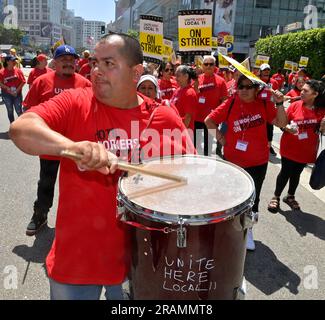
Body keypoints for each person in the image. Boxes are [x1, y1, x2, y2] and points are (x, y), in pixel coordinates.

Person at [9, 33, 194, 300]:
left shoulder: (163, 116)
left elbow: (188, 183)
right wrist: (74, 148)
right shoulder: (75, 102)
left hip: (141, 263)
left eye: (109, 63)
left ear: (136, 73)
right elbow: (21, 129)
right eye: (95, 63)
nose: (96, 71)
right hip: (77, 261)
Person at [205, 75, 287, 250]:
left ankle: (247, 230)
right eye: (240, 86)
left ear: (256, 89)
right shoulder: (231, 103)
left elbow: (282, 122)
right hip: (232, 161)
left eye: (248, 87)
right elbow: (209, 121)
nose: (244, 90)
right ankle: (228, 228)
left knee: (253, 199)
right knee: (230, 196)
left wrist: (279, 103)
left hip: (258, 162)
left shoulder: (264, 104)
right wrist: (220, 137)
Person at [22, 45, 92, 237]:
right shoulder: (41, 82)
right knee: (46, 182)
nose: (69, 62)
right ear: (55, 61)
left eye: (72, 59)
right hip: (50, 146)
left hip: (77, 146)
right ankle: (40, 214)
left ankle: (80, 219)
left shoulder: (86, 84)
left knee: (80, 185)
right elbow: (29, 109)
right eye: (64, 59)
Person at [268, 80, 325, 213]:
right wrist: (287, 128)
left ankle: (290, 196)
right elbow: (283, 123)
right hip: (290, 147)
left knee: (297, 174)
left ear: (315, 94)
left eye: (306, 91)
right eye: (302, 89)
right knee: (285, 172)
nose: (302, 92)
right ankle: (275, 196)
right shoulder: (295, 105)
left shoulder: (322, 111)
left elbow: (322, 132)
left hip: (307, 151)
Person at [195, 55, 228, 156]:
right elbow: (193, 95)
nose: (208, 66)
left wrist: (219, 116)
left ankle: (207, 165)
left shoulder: (221, 81)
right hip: (197, 118)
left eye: (211, 64)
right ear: (202, 66)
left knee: (208, 145)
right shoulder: (197, 79)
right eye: (206, 64)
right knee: (196, 144)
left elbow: (224, 100)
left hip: (212, 119)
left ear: (215, 66)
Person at [259, 63, 280, 156]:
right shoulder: (256, 81)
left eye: (268, 70)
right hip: (258, 111)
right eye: (264, 70)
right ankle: (259, 146)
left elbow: (277, 95)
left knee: (269, 130)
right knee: (258, 129)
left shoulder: (274, 82)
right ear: (260, 72)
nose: (266, 71)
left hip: (270, 111)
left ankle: (268, 146)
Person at [171, 65, 198, 132]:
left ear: (186, 76)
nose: (175, 78)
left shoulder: (189, 93)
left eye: (178, 76)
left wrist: (182, 133)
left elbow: (188, 117)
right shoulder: (178, 90)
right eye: (175, 75)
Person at [0, 55, 26, 126]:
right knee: (10, 111)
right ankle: (13, 126)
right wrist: (7, 88)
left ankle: (22, 127)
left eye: (15, 60)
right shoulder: (2, 72)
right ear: (7, 62)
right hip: (6, 95)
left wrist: (17, 91)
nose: (14, 62)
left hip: (17, 94)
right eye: (12, 60)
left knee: (19, 111)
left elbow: (23, 81)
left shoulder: (18, 71)